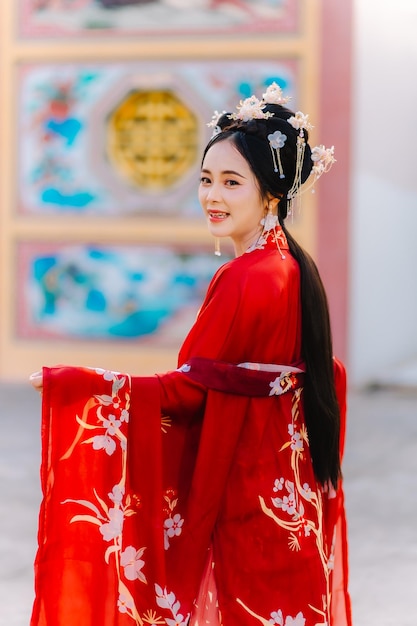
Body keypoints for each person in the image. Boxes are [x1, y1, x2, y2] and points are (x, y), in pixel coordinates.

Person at [30, 83, 351, 626]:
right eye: (206, 180)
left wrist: (81, 383)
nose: (212, 196)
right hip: (285, 497)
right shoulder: (292, 267)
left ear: (271, 192)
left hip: (244, 498)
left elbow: (190, 393)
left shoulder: (248, 278)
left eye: (231, 182)